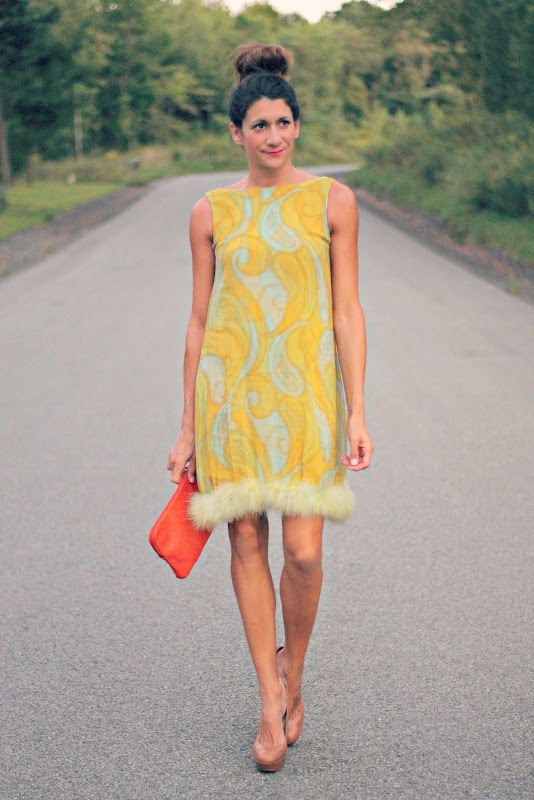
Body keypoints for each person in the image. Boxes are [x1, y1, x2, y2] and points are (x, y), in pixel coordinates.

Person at [167, 42, 373, 772]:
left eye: (284, 122)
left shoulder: (332, 201)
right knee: (247, 541)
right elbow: (200, 319)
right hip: (229, 398)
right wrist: (188, 426)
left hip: (308, 394)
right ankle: (266, 698)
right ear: (236, 133)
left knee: (304, 551)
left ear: (297, 125)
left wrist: (356, 409)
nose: (275, 136)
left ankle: (294, 670)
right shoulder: (211, 211)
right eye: (260, 125)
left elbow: (346, 310)